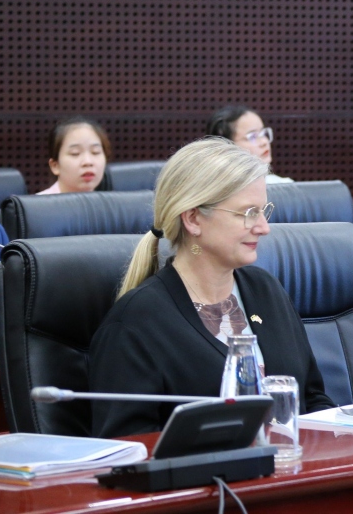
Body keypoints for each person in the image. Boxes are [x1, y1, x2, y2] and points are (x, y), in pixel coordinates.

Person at [89, 138, 332, 437]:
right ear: (193, 219)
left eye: (263, 211)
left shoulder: (266, 290)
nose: (263, 227)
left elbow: (313, 399)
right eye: (248, 213)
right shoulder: (135, 321)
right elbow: (129, 445)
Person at [206, 105, 293, 183]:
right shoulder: (213, 191)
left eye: (263, 133)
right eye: (253, 137)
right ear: (226, 146)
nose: (264, 142)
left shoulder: (285, 186)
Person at [38, 116, 110, 194]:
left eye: (95, 152)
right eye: (75, 153)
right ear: (55, 166)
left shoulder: (112, 201)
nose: (88, 162)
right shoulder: (39, 202)